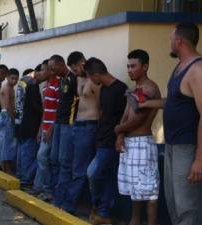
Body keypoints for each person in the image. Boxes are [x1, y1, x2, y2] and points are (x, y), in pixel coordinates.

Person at [140, 22, 202, 225]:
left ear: (179, 41)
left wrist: (199, 159)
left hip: (190, 146)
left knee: (188, 206)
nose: (169, 43)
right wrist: (147, 103)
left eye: (170, 39)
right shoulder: (180, 68)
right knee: (175, 203)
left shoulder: (199, 70)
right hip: (174, 144)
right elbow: (174, 103)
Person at [114, 49, 161, 225]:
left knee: (149, 192)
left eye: (133, 66)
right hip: (130, 143)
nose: (129, 70)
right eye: (128, 66)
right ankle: (134, 222)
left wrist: (117, 130)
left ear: (145, 66)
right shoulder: (134, 89)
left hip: (142, 143)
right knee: (135, 191)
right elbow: (126, 115)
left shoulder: (149, 88)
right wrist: (120, 135)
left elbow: (137, 119)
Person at [85, 57, 127, 225]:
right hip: (101, 138)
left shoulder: (121, 89)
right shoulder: (103, 89)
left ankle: (102, 210)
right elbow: (103, 113)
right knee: (103, 175)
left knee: (93, 172)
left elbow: (125, 117)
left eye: (90, 77)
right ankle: (102, 211)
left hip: (113, 141)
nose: (91, 81)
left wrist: (120, 136)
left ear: (95, 75)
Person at [60, 51, 100, 214]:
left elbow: (101, 104)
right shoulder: (79, 78)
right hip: (77, 125)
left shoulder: (95, 79)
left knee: (80, 169)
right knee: (68, 164)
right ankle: (65, 200)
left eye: (75, 70)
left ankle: (70, 205)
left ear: (81, 64)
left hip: (90, 125)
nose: (74, 73)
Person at [47, 54, 78, 208]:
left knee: (64, 162)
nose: (52, 71)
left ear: (61, 65)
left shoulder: (74, 79)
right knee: (53, 159)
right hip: (58, 123)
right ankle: (55, 193)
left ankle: (61, 200)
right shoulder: (61, 80)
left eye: (53, 68)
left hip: (68, 124)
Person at [32, 59, 58, 201]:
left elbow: (59, 110)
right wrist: (41, 128)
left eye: (42, 70)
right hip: (45, 128)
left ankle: (48, 190)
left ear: (49, 70)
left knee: (44, 157)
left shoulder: (57, 85)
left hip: (53, 129)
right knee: (43, 158)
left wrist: (50, 129)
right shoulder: (44, 87)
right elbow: (45, 111)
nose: (39, 73)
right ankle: (46, 189)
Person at [15, 65, 43, 190]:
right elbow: (35, 105)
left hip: (20, 122)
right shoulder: (32, 83)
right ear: (37, 72)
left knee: (21, 151)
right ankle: (26, 179)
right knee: (28, 152)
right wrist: (44, 111)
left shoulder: (22, 81)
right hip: (30, 122)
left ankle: (21, 175)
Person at [0, 68, 19, 174]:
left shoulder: (9, 87)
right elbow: (8, 105)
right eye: (12, 78)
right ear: (7, 77)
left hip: (5, 115)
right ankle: (6, 168)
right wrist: (13, 118)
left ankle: (5, 166)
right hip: (6, 115)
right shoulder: (7, 88)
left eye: (16, 79)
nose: (14, 81)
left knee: (6, 142)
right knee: (7, 143)